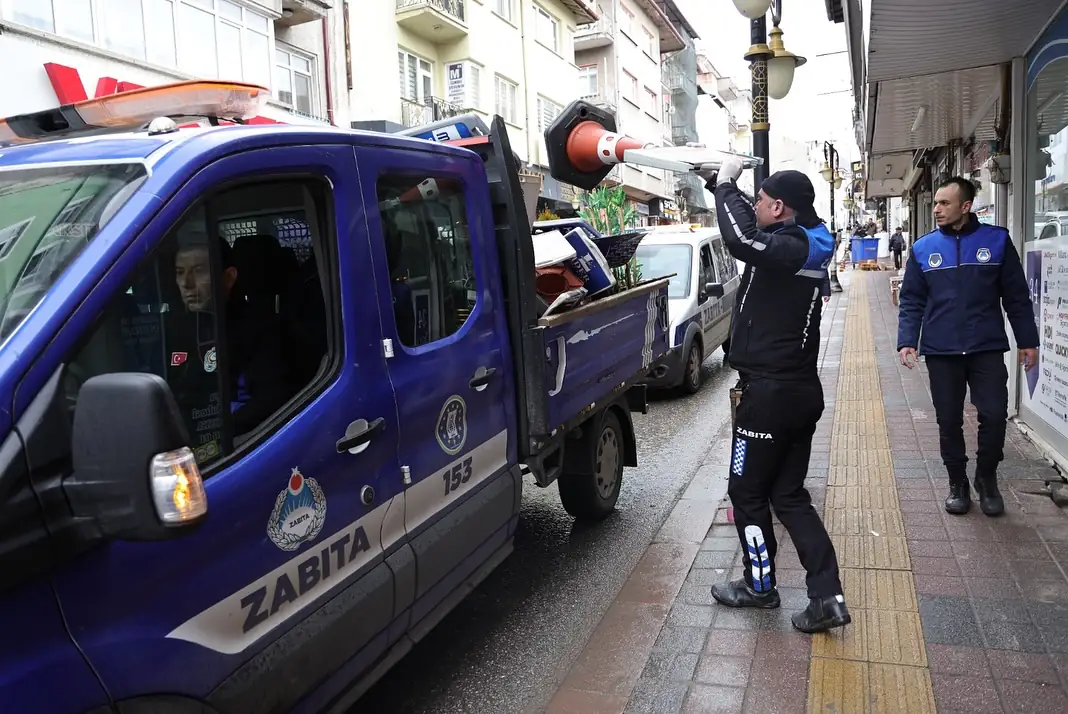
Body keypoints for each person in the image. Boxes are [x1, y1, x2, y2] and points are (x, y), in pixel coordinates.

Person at [700, 159, 849, 634]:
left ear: (780, 207)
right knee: (787, 495)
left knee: (747, 493)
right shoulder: (805, 240)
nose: (756, 206)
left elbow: (742, 238)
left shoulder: (790, 246)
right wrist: (724, 187)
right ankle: (827, 596)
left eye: (763, 201)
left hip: (767, 397)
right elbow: (752, 222)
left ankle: (759, 586)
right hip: (798, 393)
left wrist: (726, 185)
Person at [897, 176, 1039, 516]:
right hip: (941, 350)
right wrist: (907, 341)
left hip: (985, 346)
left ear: (965, 206)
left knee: (993, 414)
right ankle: (957, 482)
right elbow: (912, 300)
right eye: (935, 203)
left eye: (945, 203)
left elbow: (1017, 297)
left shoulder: (997, 241)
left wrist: (1028, 341)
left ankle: (986, 478)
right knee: (948, 420)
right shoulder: (923, 248)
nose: (937, 209)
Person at [170, 235, 295, 444]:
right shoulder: (174, 330)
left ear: (228, 277)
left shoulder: (262, 328)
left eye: (199, 271)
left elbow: (270, 402)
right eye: (180, 273)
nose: (187, 283)